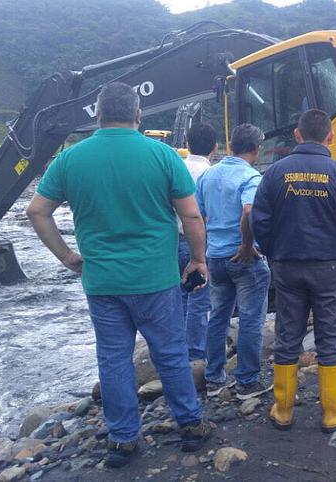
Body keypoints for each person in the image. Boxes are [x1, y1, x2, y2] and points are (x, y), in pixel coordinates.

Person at [25, 82, 211, 468]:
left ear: (97, 114)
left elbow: (36, 211)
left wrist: (67, 257)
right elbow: (191, 215)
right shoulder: (162, 155)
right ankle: (190, 427)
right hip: (156, 280)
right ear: (138, 114)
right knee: (171, 355)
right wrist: (198, 259)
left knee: (113, 360)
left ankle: (123, 440)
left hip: (102, 282)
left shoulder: (70, 159)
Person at [252, 109, 336, 432]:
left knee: (287, 335)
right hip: (329, 265)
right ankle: (333, 413)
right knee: (331, 334)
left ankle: (283, 410)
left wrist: (272, 250)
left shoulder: (274, 173)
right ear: (331, 136)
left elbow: (258, 221)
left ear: (297, 134)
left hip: (287, 266)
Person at [196, 123, 271, 400]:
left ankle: (215, 378)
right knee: (251, 318)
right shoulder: (252, 177)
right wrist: (247, 244)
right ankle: (248, 382)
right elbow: (250, 211)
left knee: (218, 316)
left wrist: (203, 251)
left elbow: (199, 217)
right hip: (243, 258)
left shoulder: (207, 175)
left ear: (230, 145)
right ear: (256, 149)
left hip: (214, 256)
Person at [177, 123, 217, 362]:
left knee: (180, 296)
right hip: (202, 242)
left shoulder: (176, 167)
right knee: (200, 299)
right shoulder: (211, 174)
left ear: (187, 145)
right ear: (214, 147)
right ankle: (196, 353)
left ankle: (178, 349)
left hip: (174, 240)